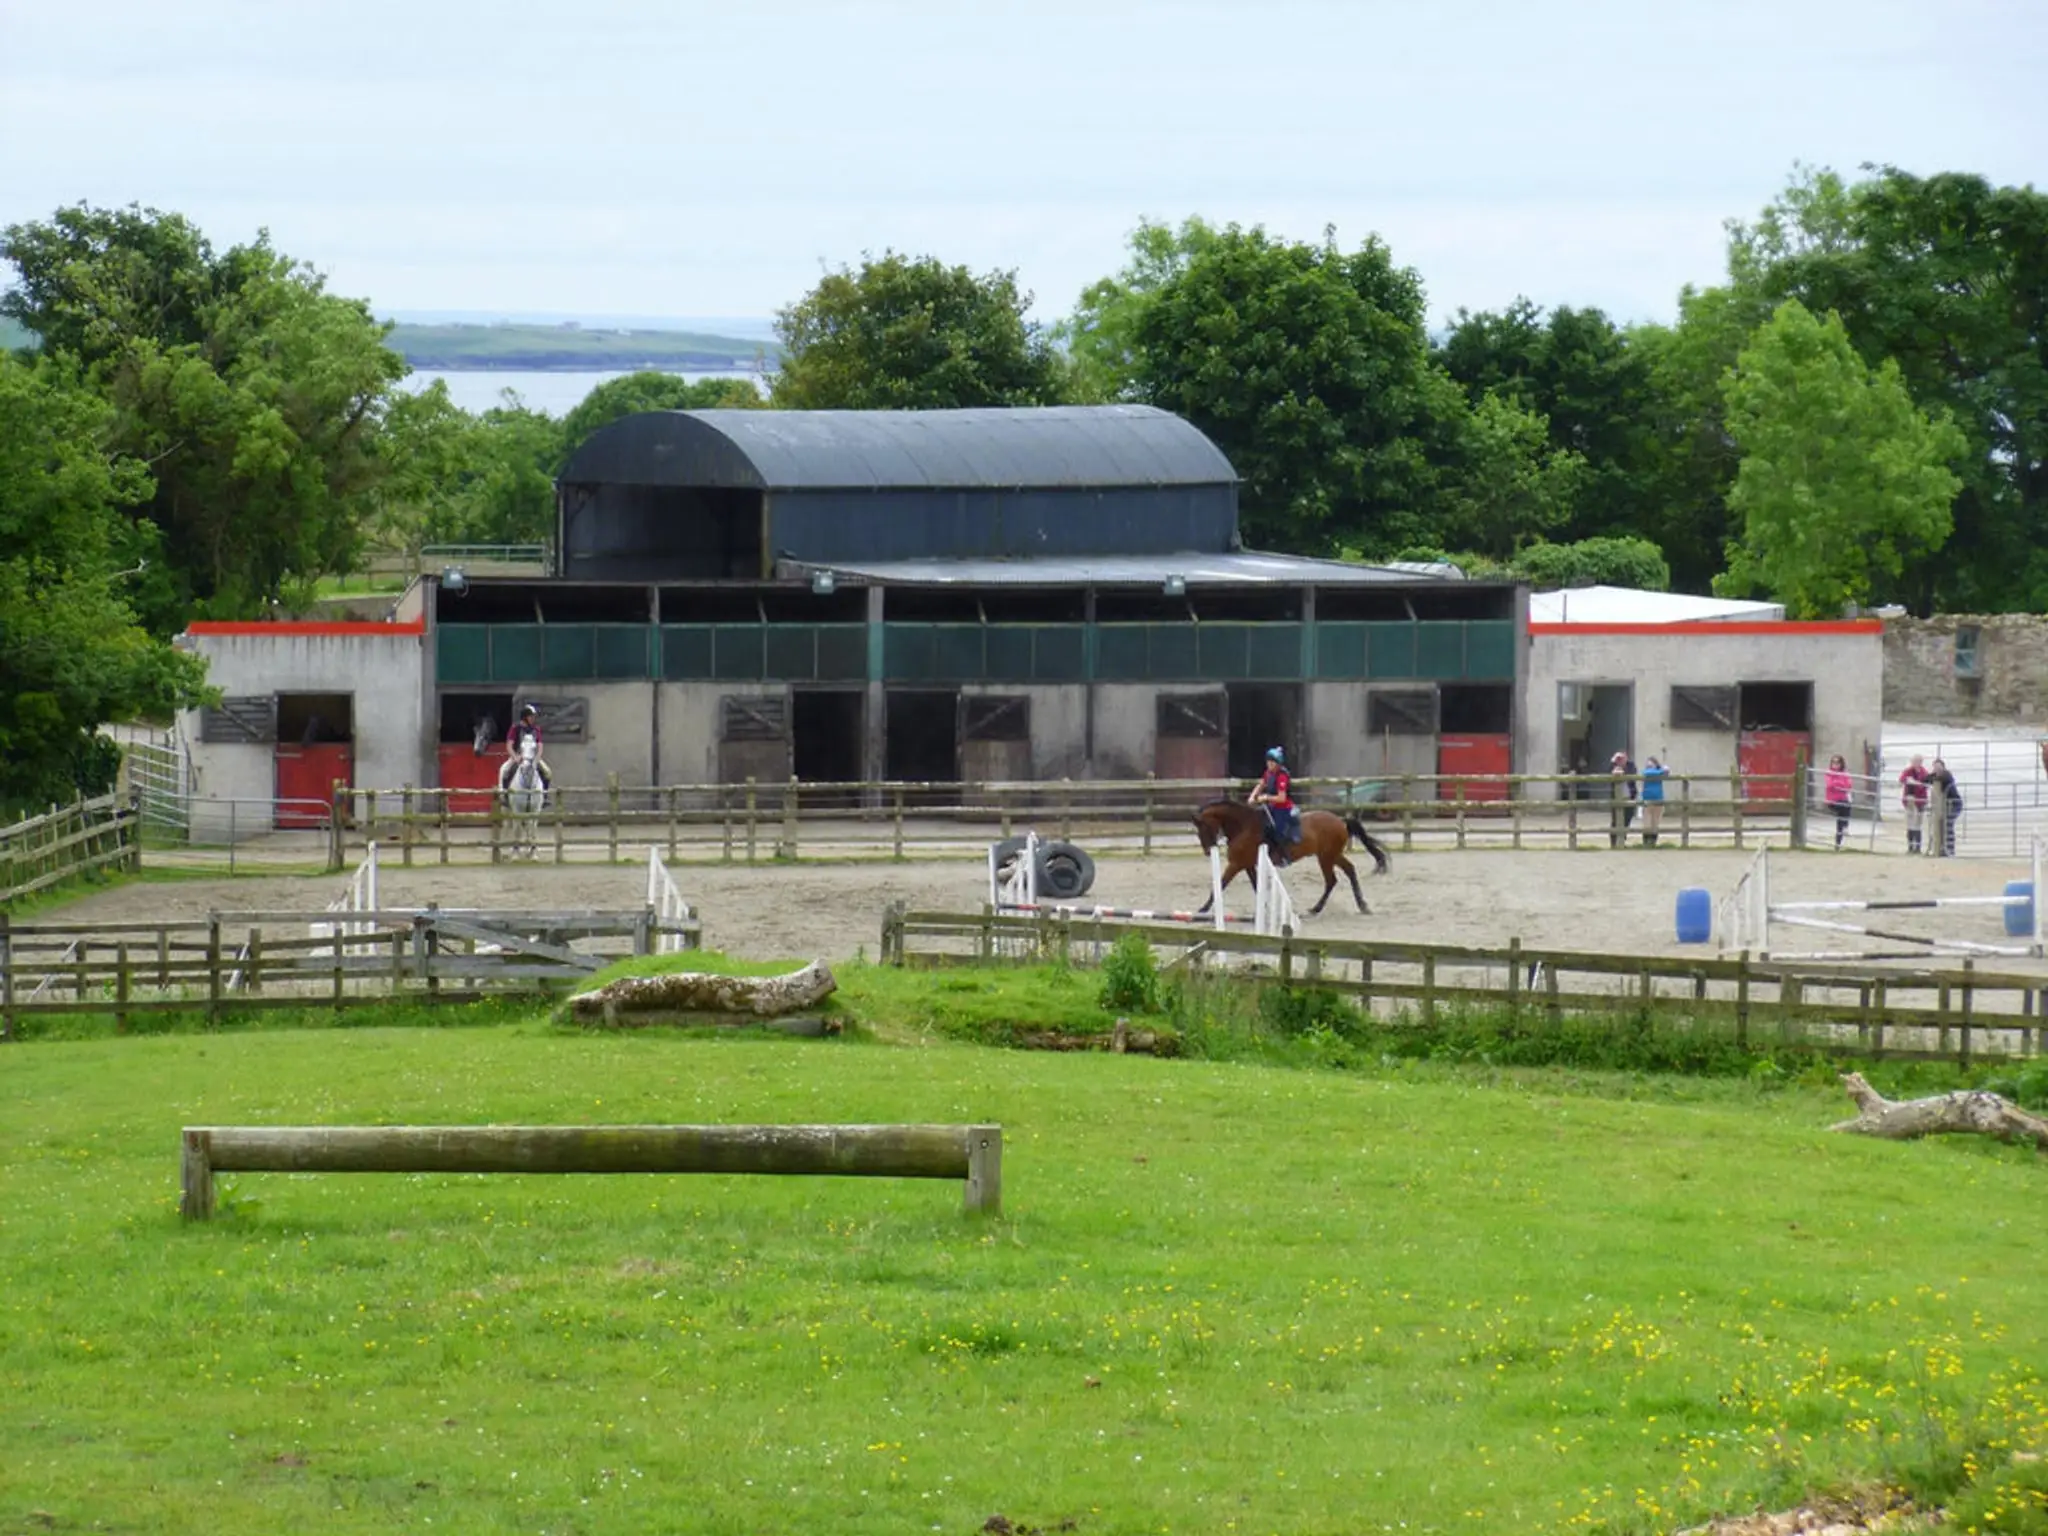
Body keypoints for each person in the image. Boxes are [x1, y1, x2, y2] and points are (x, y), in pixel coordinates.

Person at [1247, 746, 1298, 864]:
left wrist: (1266, 797)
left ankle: (1284, 856)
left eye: (1272, 762)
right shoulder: (1268, 773)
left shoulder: (1282, 776)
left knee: (1277, 830)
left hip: (1283, 807)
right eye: (1268, 762)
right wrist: (1252, 796)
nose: (1269, 764)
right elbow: (1261, 784)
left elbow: (1281, 798)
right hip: (1271, 806)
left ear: (1278, 763)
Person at [499, 703, 553, 795]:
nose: (533, 719)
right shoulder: (515, 728)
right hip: (518, 756)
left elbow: (540, 746)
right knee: (504, 771)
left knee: (547, 772)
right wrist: (515, 757)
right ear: (525, 717)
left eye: (533, 717)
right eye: (531, 716)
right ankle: (504, 795)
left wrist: (537, 758)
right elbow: (509, 745)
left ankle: (545, 796)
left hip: (533, 757)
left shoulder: (536, 729)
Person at [1927, 757, 1961, 856]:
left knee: (1948, 825)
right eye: (1935, 767)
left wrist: (1933, 775)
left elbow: (1941, 779)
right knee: (1942, 825)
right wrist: (1932, 775)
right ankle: (1942, 848)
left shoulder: (1947, 775)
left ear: (1943, 767)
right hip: (1944, 805)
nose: (1936, 769)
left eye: (1938, 767)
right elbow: (1925, 779)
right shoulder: (1936, 775)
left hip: (1954, 804)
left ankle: (1950, 849)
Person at [1898, 753, 1931, 854]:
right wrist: (1909, 781)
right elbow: (1901, 779)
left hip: (1920, 800)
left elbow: (1926, 784)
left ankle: (1917, 847)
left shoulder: (1924, 772)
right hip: (1910, 800)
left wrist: (1917, 784)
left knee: (1918, 824)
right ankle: (1910, 846)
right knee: (1910, 823)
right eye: (1914, 761)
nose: (1916, 763)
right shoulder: (1908, 771)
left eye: (1918, 761)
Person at [1824, 754, 1854, 850]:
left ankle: (1838, 843)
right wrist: (1840, 784)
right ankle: (1846, 826)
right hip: (1832, 801)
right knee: (1845, 808)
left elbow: (1849, 785)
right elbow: (1830, 785)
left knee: (1840, 820)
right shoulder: (1829, 773)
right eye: (1833, 762)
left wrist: (1838, 784)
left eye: (1837, 762)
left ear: (1841, 764)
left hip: (1842, 800)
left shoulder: (1845, 773)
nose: (1835, 764)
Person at [1638, 754, 1669, 847]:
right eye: (1648, 765)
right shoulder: (1647, 772)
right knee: (1646, 822)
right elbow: (1648, 773)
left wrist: (1666, 770)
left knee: (1656, 822)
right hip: (1647, 800)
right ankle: (1646, 841)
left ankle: (1653, 841)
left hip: (1658, 799)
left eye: (1651, 765)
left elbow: (1666, 774)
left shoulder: (1659, 772)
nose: (1649, 767)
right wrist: (1661, 771)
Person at [1608, 750, 1637, 848]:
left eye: (1623, 758)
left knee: (1627, 819)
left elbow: (1632, 774)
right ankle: (1613, 842)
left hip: (1629, 796)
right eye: (1619, 759)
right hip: (1616, 798)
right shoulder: (1613, 765)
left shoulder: (1630, 766)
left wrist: (1622, 770)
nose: (1621, 760)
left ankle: (1622, 840)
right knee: (1615, 820)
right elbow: (1608, 773)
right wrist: (1613, 762)